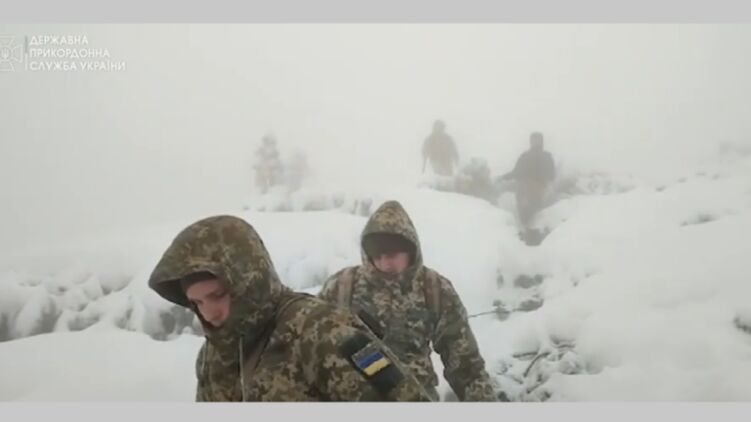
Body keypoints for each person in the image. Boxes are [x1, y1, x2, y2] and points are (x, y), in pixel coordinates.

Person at [147, 214, 434, 402]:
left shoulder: (326, 333)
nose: (209, 313)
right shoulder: (214, 355)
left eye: (218, 295)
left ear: (249, 281)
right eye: (197, 303)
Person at [318, 200, 498, 402]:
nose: (384, 263)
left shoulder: (435, 289)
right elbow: (310, 352)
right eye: (377, 255)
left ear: (410, 250)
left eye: (392, 255)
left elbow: (466, 366)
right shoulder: (342, 287)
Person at [500, 131, 556, 227]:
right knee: (533, 215)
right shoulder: (545, 157)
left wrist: (504, 178)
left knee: (528, 215)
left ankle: (527, 228)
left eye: (536, 140)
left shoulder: (528, 156)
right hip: (535, 191)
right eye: (534, 140)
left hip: (529, 191)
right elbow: (552, 176)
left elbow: (516, 172)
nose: (535, 142)